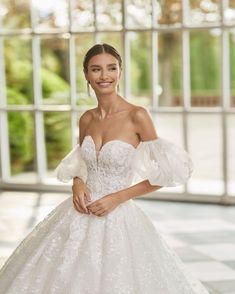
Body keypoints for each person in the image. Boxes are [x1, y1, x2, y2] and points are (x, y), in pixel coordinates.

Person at [0, 43, 209, 294]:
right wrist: (77, 181)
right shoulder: (86, 119)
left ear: (120, 71)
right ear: (86, 75)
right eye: (96, 69)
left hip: (118, 217)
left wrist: (117, 198)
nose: (104, 76)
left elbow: (167, 173)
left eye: (111, 68)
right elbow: (82, 163)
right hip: (78, 212)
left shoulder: (137, 116)